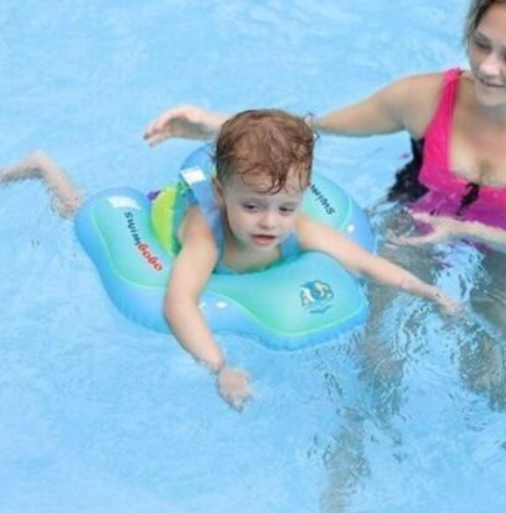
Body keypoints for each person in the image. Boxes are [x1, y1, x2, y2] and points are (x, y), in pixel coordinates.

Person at [1, 110, 457, 411]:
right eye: (253, 207)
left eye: (284, 207)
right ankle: (43, 167)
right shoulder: (207, 236)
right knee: (75, 209)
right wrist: (221, 368)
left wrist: (426, 290)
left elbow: (363, 262)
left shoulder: (294, 225)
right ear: (221, 195)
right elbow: (178, 303)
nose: (270, 223)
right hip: (161, 216)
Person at [143, 0, 506, 261]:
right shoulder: (425, 98)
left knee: (497, 364)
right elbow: (316, 127)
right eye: (481, 44)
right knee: (380, 343)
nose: (487, 67)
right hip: (411, 220)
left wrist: (471, 231)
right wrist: (216, 125)